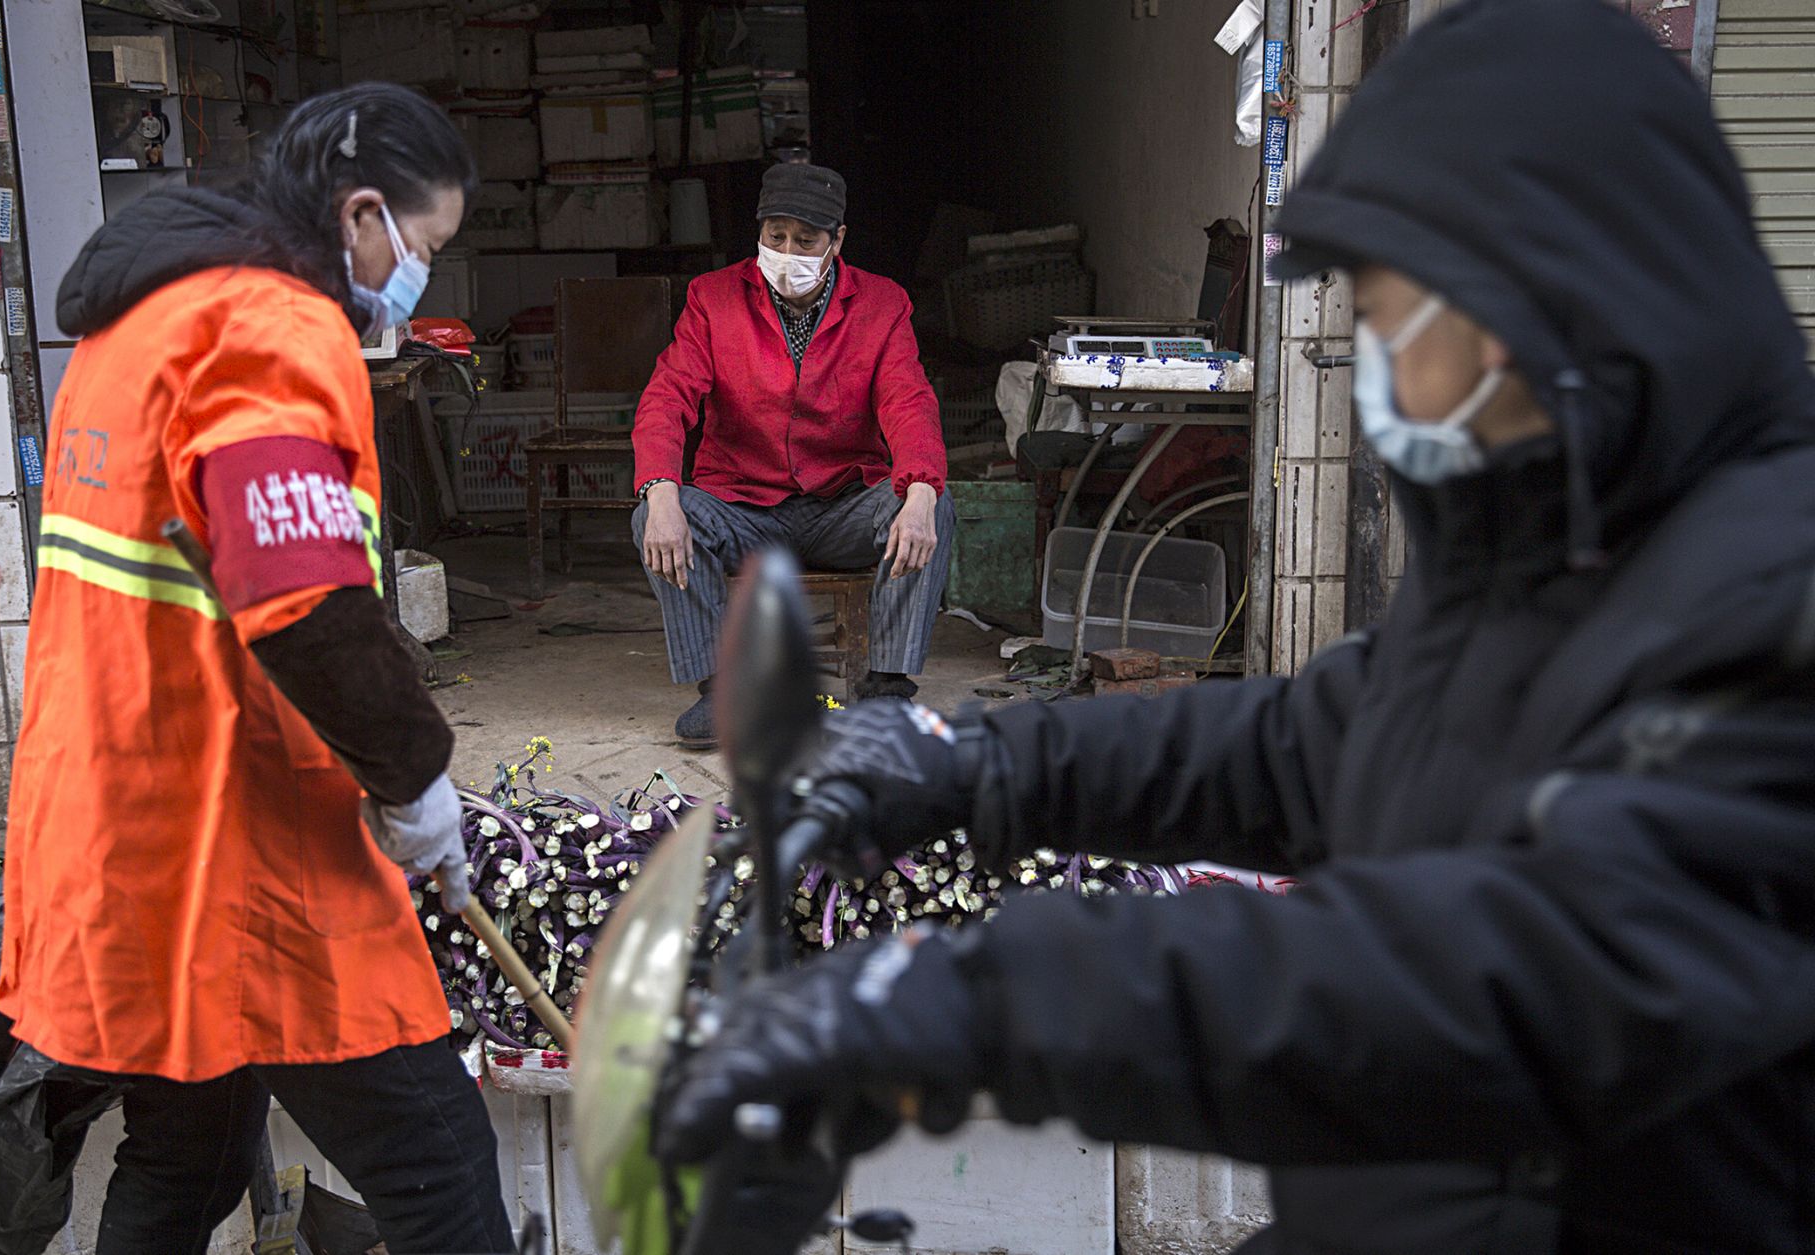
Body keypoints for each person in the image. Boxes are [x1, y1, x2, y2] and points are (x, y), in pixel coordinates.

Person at [654, 3, 1815, 1251]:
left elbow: (1486, 986)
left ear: (1541, 302)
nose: (1371, 365)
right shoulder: (1546, 547)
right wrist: (970, 767)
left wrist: (977, 1002)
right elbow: (1311, 744)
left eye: (1390, 317)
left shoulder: (1770, 614)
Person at [0, 84, 515, 1255]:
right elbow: (305, 596)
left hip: (123, 819)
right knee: (435, 1162)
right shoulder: (265, 329)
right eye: (422, 248)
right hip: (241, 845)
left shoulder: (141, 316)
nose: (415, 277)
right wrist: (411, 773)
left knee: (187, 1155)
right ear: (366, 212)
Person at [630, 162, 955, 749]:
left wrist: (923, 488)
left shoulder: (882, 304)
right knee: (657, 516)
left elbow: (910, 401)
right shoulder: (713, 298)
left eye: (806, 240)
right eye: (775, 236)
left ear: (838, 241)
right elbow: (667, 396)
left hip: (843, 506)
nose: (787, 251)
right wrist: (659, 488)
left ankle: (886, 687)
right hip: (743, 506)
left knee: (928, 504)